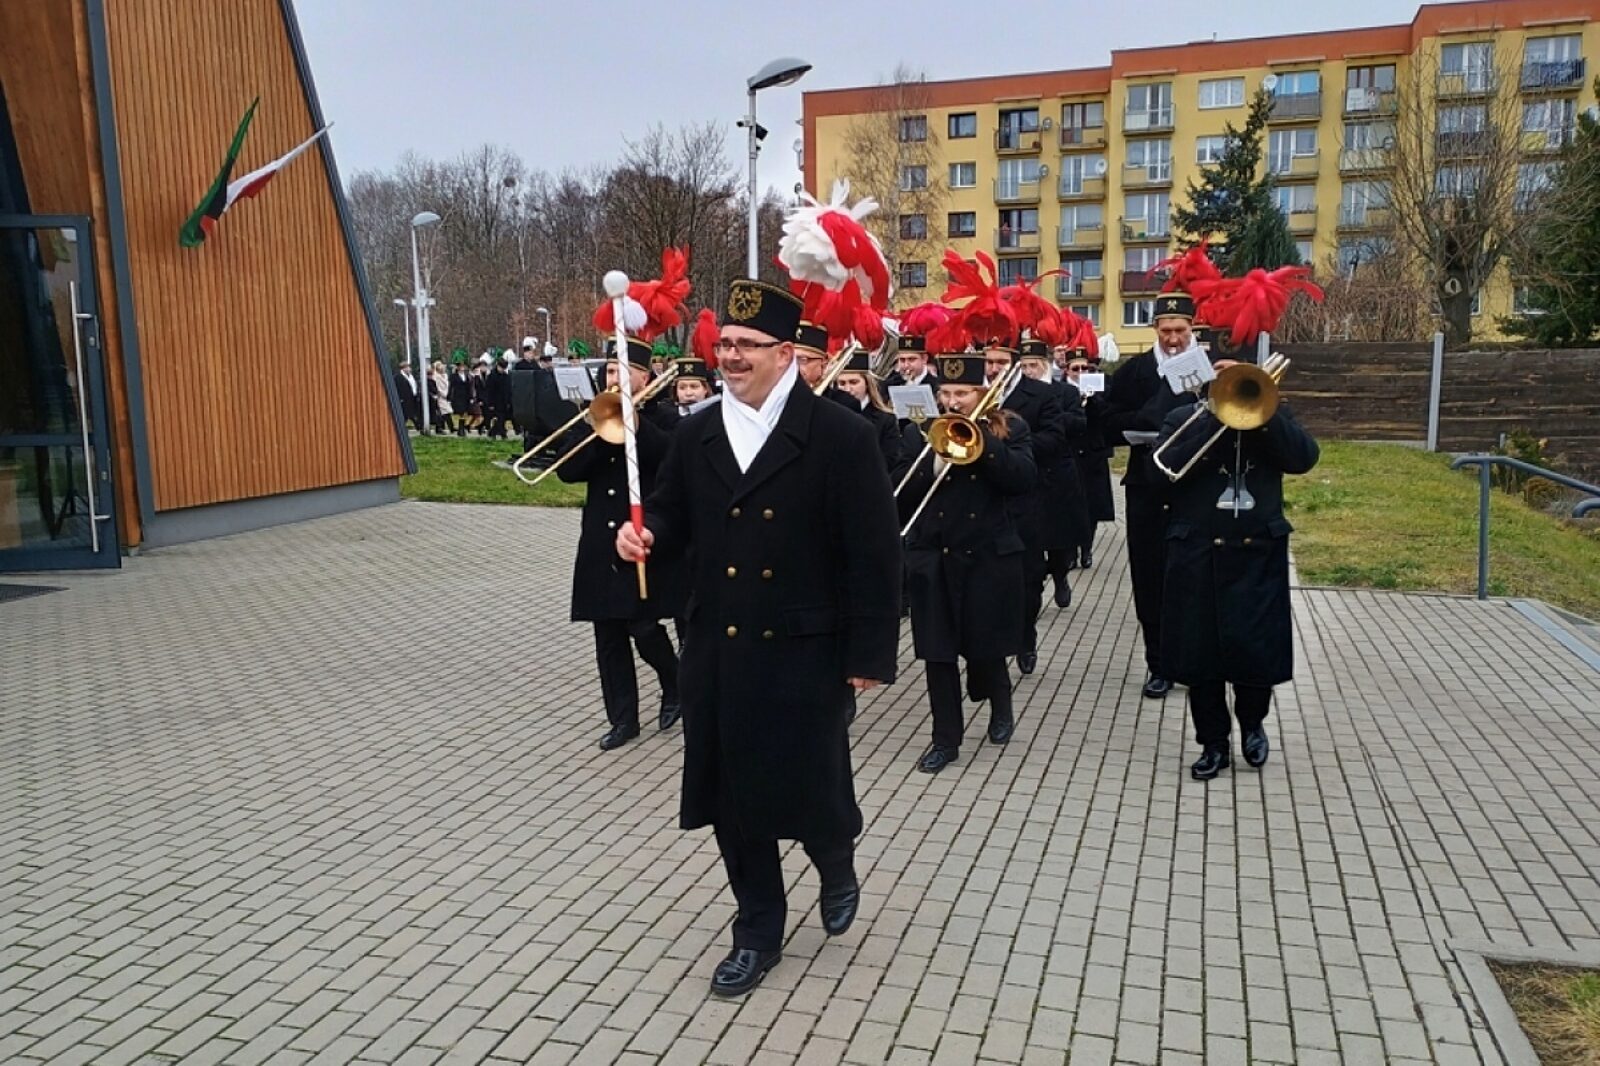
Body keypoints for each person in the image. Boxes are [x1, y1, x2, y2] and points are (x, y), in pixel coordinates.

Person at [615, 278, 900, 998]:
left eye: (748, 345)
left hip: (806, 649)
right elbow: (670, 516)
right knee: (733, 799)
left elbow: (874, 554)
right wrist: (643, 536)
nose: (732, 357)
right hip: (719, 646)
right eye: (725, 345)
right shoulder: (697, 433)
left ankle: (835, 860)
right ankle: (758, 930)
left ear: (785, 353)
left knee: (813, 790)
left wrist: (869, 653)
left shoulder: (841, 435)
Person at [1155, 357, 1319, 779]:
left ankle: (1252, 723)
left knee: (1255, 650)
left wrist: (1262, 414)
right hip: (1198, 552)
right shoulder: (1183, 418)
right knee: (1199, 656)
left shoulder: (1274, 415)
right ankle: (1212, 743)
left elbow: (1304, 458)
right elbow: (1166, 469)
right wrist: (1217, 418)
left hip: (1256, 552)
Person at [900, 350, 1036, 774]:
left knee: (985, 647)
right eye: (946, 393)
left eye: (962, 393)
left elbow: (1023, 479)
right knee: (938, 655)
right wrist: (933, 460)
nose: (952, 402)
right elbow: (898, 493)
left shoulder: (1009, 428)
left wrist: (983, 444)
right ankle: (946, 740)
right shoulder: (920, 433)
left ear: (982, 393)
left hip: (987, 557)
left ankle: (1000, 702)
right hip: (935, 558)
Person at [559, 336, 686, 751]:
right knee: (608, 634)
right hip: (601, 540)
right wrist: (602, 428)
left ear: (645, 377)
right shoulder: (593, 416)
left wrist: (634, 425)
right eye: (610, 370)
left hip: (641, 536)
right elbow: (567, 470)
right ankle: (623, 719)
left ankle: (673, 680)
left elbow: (671, 458)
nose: (614, 377)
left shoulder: (665, 418)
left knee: (643, 625)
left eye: (624, 370)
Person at [1101, 291, 1201, 700]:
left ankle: (1193, 661)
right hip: (1147, 485)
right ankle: (1158, 664)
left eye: (1180, 330)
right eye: (1166, 331)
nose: (1173, 339)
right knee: (1149, 576)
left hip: (1196, 486)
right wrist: (1144, 423)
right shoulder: (1135, 370)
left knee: (1195, 578)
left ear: (1192, 328)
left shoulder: (1211, 367)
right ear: (1155, 329)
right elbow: (1105, 419)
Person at [985, 342, 1067, 675]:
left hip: (1029, 496)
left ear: (1015, 363)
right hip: (986, 497)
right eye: (989, 361)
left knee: (1029, 577)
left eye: (1001, 361)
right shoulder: (975, 392)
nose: (993, 368)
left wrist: (1012, 444)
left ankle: (1026, 636)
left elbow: (1056, 437)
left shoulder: (1042, 394)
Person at [1018, 340, 1087, 610]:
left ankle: (1060, 576)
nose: (1029, 371)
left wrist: (1054, 415)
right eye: (1024, 366)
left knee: (1059, 537)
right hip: (1028, 469)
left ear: (1045, 365)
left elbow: (1079, 423)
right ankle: (1033, 587)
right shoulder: (1018, 394)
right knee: (1033, 538)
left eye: (1033, 365)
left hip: (1057, 471)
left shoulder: (1065, 392)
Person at [1064, 349, 1115, 568]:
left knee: (1092, 504)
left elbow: (1106, 416)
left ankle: (1086, 549)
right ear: (1067, 370)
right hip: (1070, 452)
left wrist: (1093, 398)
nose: (1081, 372)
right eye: (1076, 368)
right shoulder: (1060, 389)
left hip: (1093, 453)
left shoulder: (1099, 387)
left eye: (1085, 368)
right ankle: (1070, 552)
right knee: (1069, 504)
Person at [832, 351, 901, 474]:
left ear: (867, 384)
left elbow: (887, 461)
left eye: (854, 382)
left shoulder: (886, 420)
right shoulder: (830, 415)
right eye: (842, 383)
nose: (847, 389)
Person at [393, 361, 422, 432]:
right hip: (404, 398)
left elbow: (413, 385)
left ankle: (418, 426)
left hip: (413, 397)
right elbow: (398, 388)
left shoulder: (411, 376)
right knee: (406, 414)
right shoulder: (398, 377)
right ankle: (402, 427)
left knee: (412, 413)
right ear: (403, 368)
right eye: (408, 367)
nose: (409, 369)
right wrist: (400, 398)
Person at [448, 358, 474, 436]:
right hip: (457, 397)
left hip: (465, 397)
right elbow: (451, 387)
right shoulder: (453, 376)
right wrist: (449, 397)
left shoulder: (467, 376)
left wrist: (471, 397)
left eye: (463, 366)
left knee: (465, 413)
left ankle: (462, 428)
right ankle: (461, 429)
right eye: (461, 366)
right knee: (460, 412)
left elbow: (469, 387)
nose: (462, 368)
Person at [429, 360, 453, 434]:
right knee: (444, 412)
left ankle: (445, 427)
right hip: (440, 396)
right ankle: (445, 427)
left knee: (445, 412)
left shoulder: (445, 375)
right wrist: (443, 394)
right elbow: (437, 387)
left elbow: (447, 385)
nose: (443, 369)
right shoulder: (436, 376)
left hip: (446, 395)